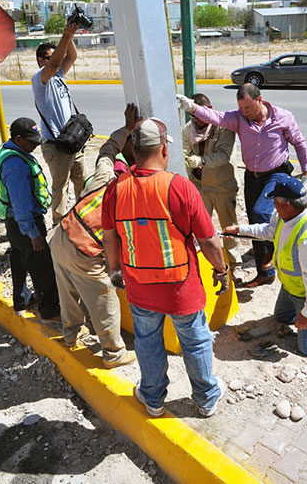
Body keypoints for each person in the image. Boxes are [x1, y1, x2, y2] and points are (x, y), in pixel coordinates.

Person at [102, 118, 229, 417]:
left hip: (138, 284)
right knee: (195, 342)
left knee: (147, 342)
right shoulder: (179, 187)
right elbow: (208, 240)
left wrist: (114, 271)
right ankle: (206, 398)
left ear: (134, 149)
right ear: (163, 150)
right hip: (180, 286)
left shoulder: (115, 190)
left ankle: (153, 398)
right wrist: (221, 270)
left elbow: (110, 238)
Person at [177, 84, 307, 288]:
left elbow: (300, 144)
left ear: (260, 100)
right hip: (252, 177)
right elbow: (217, 117)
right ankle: (264, 271)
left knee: (260, 213)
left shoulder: (283, 117)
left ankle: (271, 258)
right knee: (253, 219)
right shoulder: (239, 117)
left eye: (248, 108)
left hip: (276, 174)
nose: (244, 112)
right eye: (241, 108)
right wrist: (192, 108)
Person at [223, 176, 307, 356]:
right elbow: (267, 231)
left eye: (275, 201)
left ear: (287, 204)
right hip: (291, 288)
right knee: (281, 317)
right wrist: (239, 229)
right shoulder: (285, 215)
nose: (273, 204)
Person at [48, 104, 138, 367]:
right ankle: (113, 353)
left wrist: (127, 129)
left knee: (67, 292)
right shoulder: (131, 200)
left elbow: (107, 150)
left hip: (59, 237)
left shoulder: (105, 177)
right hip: (83, 251)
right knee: (104, 299)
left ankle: (72, 333)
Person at [0, 118, 61, 323]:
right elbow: (21, 204)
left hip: (13, 222)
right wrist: (33, 233)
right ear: (18, 138)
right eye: (32, 141)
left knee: (20, 258)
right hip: (25, 222)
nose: (35, 145)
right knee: (42, 265)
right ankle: (50, 312)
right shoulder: (16, 165)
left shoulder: (7, 151)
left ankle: (22, 300)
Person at [182, 93, 243, 284]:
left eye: (200, 117)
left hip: (221, 185)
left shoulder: (223, 127)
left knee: (229, 228)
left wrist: (200, 161)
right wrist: (188, 160)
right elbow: (185, 152)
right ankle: (203, 265)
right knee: (199, 228)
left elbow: (224, 155)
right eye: (194, 117)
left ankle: (235, 265)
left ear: (209, 110)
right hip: (199, 186)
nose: (197, 122)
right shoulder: (187, 130)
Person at [32, 21, 88, 226]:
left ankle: (84, 223)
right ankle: (59, 230)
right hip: (56, 146)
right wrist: (66, 33)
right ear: (41, 61)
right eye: (50, 56)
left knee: (82, 183)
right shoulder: (39, 78)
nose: (56, 59)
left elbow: (71, 56)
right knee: (60, 190)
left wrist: (70, 36)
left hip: (73, 141)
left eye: (56, 55)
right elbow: (55, 64)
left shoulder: (59, 75)